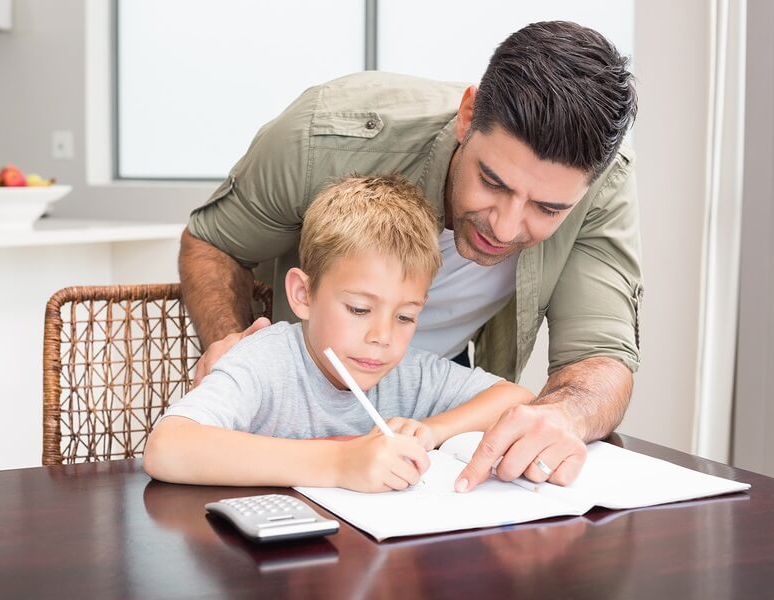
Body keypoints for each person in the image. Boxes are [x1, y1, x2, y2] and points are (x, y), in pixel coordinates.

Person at [179, 21, 640, 491]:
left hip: (430, 407)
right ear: (467, 115)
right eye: (493, 182)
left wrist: (562, 415)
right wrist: (234, 344)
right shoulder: (322, 135)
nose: (503, 228)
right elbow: (214, 242)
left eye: (546, 209)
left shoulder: (603, 188)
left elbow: (600, 357)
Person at [144, 176, 544, 491]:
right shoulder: (264, 362)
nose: (382, 336)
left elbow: (517, 399)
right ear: (303, 295)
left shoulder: (405, 373)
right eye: (358, 309)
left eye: (405, 317)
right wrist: (340, 464)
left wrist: (433, 430)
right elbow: (167, 447)